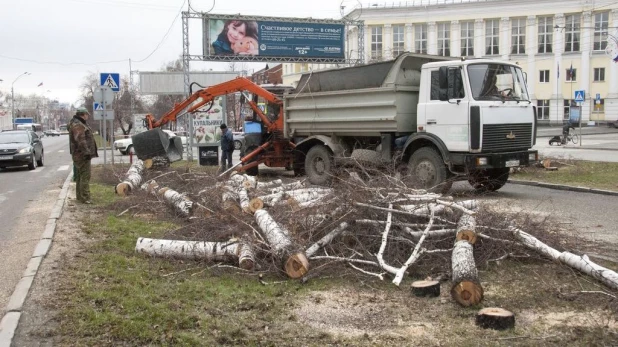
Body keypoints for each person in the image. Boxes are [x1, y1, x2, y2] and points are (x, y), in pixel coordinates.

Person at [68, 107, 98, 204]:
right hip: (81, 155)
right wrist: (87, 153)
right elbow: (81, 141)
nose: (88, 116)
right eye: (87, 114)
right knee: (85, 176)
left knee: (81, 176)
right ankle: (85, 197)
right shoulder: (78, 125)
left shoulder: (79, 123)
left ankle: (80, 196)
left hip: (80, 154)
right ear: (83, 114)